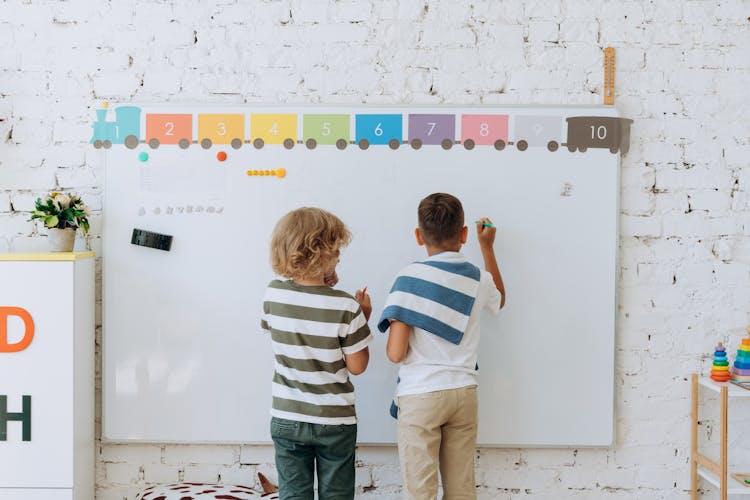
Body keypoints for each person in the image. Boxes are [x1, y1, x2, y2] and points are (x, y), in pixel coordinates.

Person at [378, 192, 505, 500]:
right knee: (461, 490)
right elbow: (499, 299)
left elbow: (396, 353)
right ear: (463, 234)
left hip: (421, 395)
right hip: (463, 393)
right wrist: (487, 248)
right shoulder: (478, 279)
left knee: (420, 492)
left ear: (419, 236)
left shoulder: (409, 278)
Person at [261, 207, 372, 500]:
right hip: (334, 421)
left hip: (287, 416)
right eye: (337, 252)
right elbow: (357, 366)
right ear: (325, 254)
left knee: (293, 494)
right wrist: (364, 316)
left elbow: (287, 335)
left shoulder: (273, 294)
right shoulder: (348, 307)